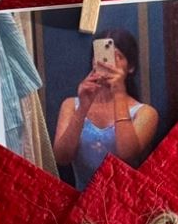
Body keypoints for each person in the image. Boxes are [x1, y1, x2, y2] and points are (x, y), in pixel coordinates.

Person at [52, 28, 158, 188]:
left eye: (118, 57)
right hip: (81, 198)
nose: (108, 63)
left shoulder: (145, 113)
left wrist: (119, 93)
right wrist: (83, 107)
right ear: (93, 62)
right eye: (102, 55)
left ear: (130, 67)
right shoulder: (71, 105)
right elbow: (61, 158)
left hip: (124, 199)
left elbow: (126, 155)